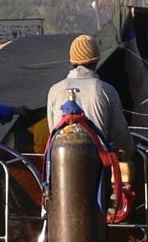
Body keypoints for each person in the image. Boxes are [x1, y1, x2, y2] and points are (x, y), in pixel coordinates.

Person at [48, 34, 135, 179]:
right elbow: (119, 135)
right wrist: (131, 149)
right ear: (96, 61)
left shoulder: (54, 90)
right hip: (96, 167)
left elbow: (53, 132)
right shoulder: (105, 90)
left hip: (61, 167)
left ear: (72, 61)